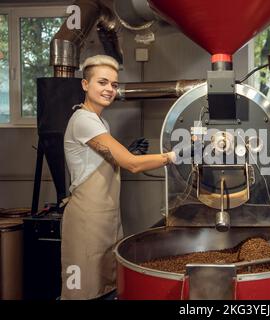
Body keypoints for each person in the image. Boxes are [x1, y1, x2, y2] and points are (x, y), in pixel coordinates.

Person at [61, 55, 178, 300]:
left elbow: (114, 159)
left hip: (107, 218)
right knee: (83, 293)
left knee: (106, 289)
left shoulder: (100, 121)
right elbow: (131, 165)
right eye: (102, 82)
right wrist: (173, 155)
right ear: (85, 85)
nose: (109, 89)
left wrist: (128, 151)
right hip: (86, 221)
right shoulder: (83, 120)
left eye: (114, 85)